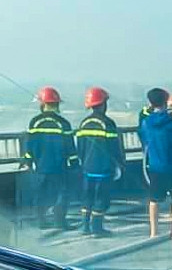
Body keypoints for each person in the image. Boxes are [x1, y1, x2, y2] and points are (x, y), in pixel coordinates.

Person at [24, 87, 78, 229]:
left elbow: (29, 146)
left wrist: (28, 161)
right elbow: (70, 148)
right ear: (57, 104)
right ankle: (60, 221)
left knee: (41, 194)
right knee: (63, 193)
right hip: (59, 167)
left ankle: (41, 221)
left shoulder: (34, 122)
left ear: (42, 104)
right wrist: (74, 163)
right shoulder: (64, 123)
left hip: (41, 167)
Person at [76, 87, 125, 236]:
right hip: (104, 168)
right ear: (103, 103)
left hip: (88, 167)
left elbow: (81, 146)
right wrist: (120, 163)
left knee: (88, 196)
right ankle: (97, 228)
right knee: (101, 198)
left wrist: (83, 162)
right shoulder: (108, 123)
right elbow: (114, 147)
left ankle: (85, 227)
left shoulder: (84, 123)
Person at [139, 88, 172, 240]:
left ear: (150, 103)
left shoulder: (146, 123)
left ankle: (153, 232)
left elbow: (144, 140)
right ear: (166, 102)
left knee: (154, 199)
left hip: (155, 167)